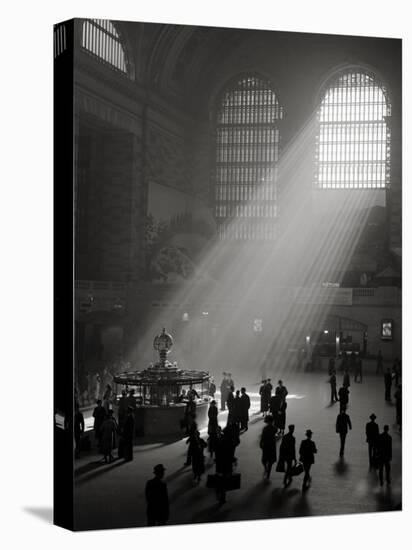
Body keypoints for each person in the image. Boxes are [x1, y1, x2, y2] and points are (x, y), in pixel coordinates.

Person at [214, 426, 237, 504]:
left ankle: (220, 494)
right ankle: (222, 496)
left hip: (220, 463)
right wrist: (233, 460)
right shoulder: (229, 442)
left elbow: (217, 452)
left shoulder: (222, 440)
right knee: (225, 479)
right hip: (226, 463)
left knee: (221, 478)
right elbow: (230, 453)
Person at [259, 415, 277, 479]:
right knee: (270, 461)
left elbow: (263, 437)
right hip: (272, 445)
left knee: (264, 460)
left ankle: (266, 470)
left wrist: (261, 443)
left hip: (267, 445)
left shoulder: (265, 429)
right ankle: (268, 473)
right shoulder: (274, 428)